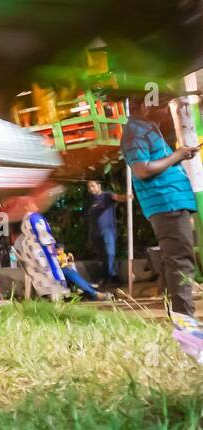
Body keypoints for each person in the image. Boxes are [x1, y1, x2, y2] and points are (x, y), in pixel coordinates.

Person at [122, 99, 200, 315]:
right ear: (145, 106)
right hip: (166, 203)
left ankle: (177, 317)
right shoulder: (135, 131)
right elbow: (142, 169)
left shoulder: (147, 128)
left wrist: (179, 156)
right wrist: (177, 155)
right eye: (163, 107)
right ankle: (186, 321)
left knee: (172, 261)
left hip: (171, 202)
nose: (167, 111)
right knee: (181, 261)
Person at [85, 179, 126, 287]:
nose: (91, 189)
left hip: (108, 231)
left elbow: (117, 198)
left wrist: (127, 197)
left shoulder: (107, 195)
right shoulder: (91, 201)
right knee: (103, 257)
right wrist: (90, 235)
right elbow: (90, 220)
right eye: (89, 187)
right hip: (96, 233)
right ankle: (106, 278)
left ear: (99, 186)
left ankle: (113, 276)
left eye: (93, 186)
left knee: (110, 253)